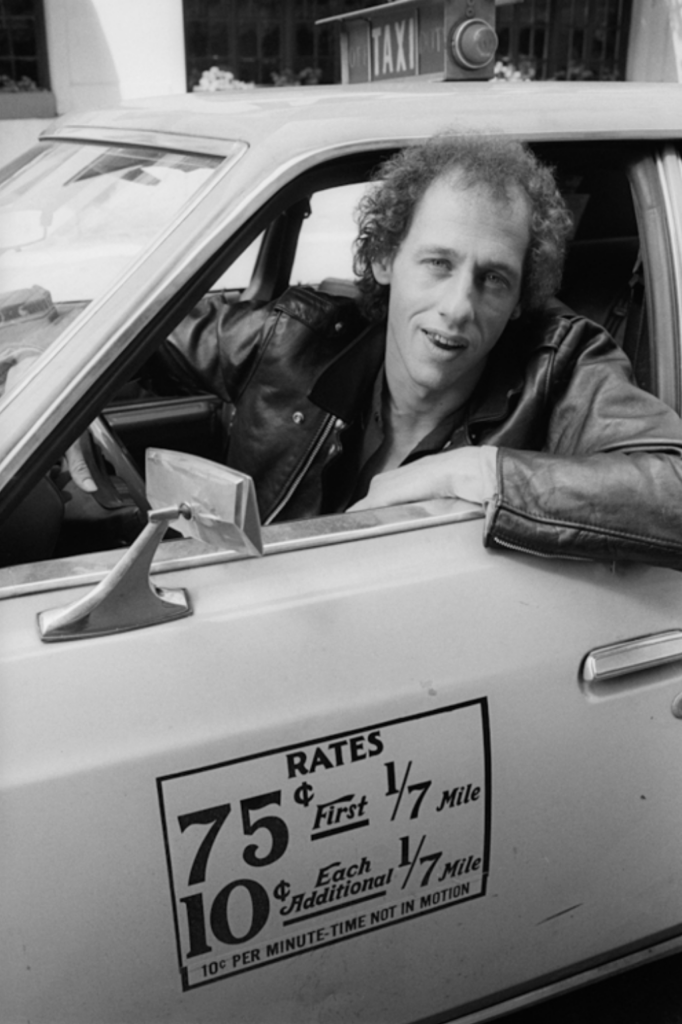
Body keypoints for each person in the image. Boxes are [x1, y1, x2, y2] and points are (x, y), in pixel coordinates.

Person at [72, 134, 682, 567]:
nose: (458, 306)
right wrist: (69, 384)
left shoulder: (561, 364)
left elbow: (673, 488)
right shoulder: (295, 340)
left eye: (493, 278)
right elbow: (145, 335)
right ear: (385, 258)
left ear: (523, 296)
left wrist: (476, 473)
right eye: (437, 264)